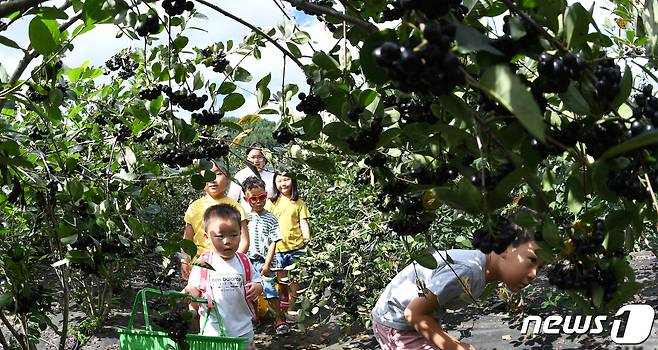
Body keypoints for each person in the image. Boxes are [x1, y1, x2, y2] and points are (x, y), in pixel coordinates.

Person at [371, 224, 543, 350]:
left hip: (412, 319)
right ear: (505, 249)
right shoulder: (468, 271)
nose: (534, 274)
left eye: (540, 267)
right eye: (532, 260)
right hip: (396, 323)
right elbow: (413, 313)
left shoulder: (480, 270)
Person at [184, 204, 262, 350]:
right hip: (212, 331)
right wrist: (189, 294)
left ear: (240, 233)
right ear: (207, 238)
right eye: (220, 236)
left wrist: (257, 287)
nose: (227, 241)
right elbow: (193, 288)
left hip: (243, 330)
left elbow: (257, 280)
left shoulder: (243, 260)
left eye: (234, 235)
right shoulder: (203, 262)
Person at [181, 160, 250, 280]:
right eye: (207, 174)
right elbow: (187, 240)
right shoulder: (194, 207)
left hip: (228, 268)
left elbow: (244, 241)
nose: (213, 179)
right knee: (197, 296)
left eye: (218, 174)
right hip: (200, 268)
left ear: (228, 177)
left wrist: (233, 261)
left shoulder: (235, 207)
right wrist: (184, 260)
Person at [242, 175, 290, 335]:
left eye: (262, 197)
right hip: (248, 262)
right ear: (246, 198)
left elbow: (273, 242)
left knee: (269, 290)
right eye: (253, 198)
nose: (258, 201)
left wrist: (267, 264)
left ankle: (278, 318)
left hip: (264, 261)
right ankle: (254, 317)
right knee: (250, 292)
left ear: (266, 195)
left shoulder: (271, 218)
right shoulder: (245, 218)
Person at [266, 171, 311, 316]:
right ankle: (283, 305)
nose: (283, 184)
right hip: (278, 248)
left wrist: (307, 240)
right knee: (281, 280)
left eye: (286, 180)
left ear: (293, 181)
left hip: (296, 247)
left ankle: (292, 308)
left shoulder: (299, 203)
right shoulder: (271, 202)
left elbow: (303, 222)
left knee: (294, 280)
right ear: (275, 183)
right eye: (279, 181)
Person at [228, 142, 276, 212]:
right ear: (247, 158)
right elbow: (232, 199)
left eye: (260, 157)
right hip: (247, 217)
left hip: (271, 217)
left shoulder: (273, 174)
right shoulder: (240, 175)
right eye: (253, 157)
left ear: (265, 157)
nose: (256, 161)